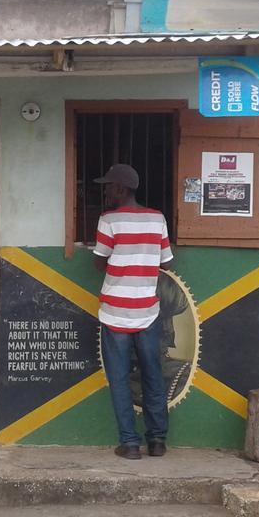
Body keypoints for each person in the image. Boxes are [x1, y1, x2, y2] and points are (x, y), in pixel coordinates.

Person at [90, 163, 174, 459]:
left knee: (120, 379)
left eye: (109, 187)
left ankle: (129, 444)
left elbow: (99, 261)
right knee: (153, 375)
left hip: (114, 313)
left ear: (121, 189)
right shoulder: (157, 218)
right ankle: (157, 441)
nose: (106, 191)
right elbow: (166, 262)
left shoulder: (108, 220)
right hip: (148, 312)